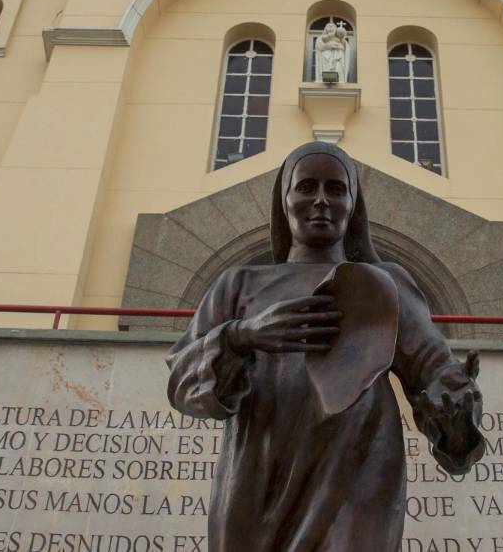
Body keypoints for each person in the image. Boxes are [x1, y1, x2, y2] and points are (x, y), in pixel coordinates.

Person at [166, 142, 486, 552]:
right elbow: (182, 382)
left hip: (358, 468)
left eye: (336, 189)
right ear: (285, 200)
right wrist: (241, 335)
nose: (321, 200)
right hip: (258, 470)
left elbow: (432, 366)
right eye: (306, 188)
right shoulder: (239, 284)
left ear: (353, 205)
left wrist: (454, 404)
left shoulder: (385, 282)